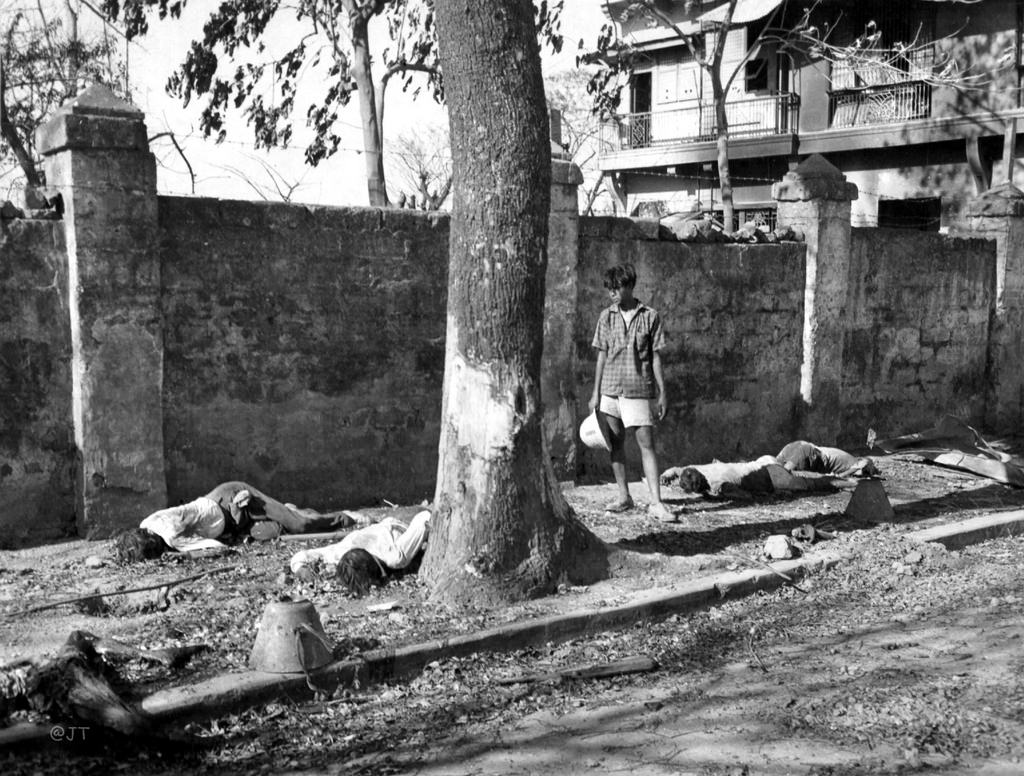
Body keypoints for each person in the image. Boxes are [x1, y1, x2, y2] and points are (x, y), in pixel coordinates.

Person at [589, 263, 676, 522]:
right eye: (610, 289)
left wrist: (662, 392)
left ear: (629, 287)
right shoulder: (606, 316)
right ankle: (624, 496)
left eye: (616, 288)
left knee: (646, 444)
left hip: (639, 389)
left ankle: (656, 503)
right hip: (610, 389)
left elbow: (656, 357)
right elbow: (601, 356)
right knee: (615, 444)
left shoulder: (650, 316)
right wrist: (595, 393)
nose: (612, 293)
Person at [116, 481, 358, 559]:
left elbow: (217, 549)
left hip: (235, 499)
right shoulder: (146, 524)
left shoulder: (172, 536)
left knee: (300, 527)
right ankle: (288, 510)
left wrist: (180, 554)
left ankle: (346, 518)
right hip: (233, 524)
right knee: (272, 532)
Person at [289, 510, 431, 595]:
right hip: (368, 534)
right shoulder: (337, 555)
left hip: (391, 529)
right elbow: (299, 557)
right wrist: (303, 572)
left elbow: (424, 518)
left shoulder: (394, 556)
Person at [661, 456, 843, 498]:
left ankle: (846, 482)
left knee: (808, 484)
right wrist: (669, 473)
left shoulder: (718, 483)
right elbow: (679, 470)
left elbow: (745, 496)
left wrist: (711, 496)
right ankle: (834, 478)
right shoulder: (697, 469)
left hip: (770, 474)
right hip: (763, 464)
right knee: (803, 476)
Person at [775, 441, 878, 478]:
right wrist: (840, 476)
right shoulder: (857, 463)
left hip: (803, 448)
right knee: (784, 472)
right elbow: (865, 462)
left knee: (780, 469)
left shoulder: (852, 462)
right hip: (810, 452)